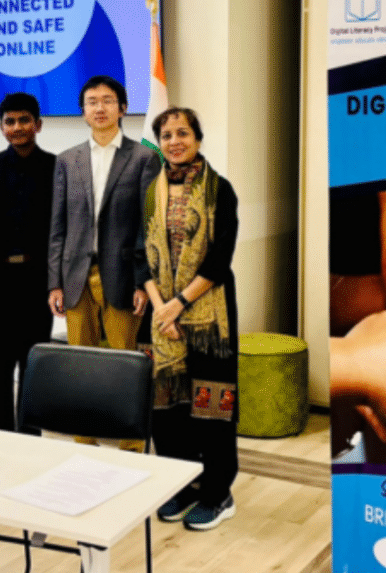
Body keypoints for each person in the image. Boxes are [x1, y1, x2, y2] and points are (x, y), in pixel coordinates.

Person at [136, 107, 239, 531]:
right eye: (166, 134)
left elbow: (221, 257)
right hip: (161, 315)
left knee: (211, 408)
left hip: (208, 318)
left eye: (182, 133)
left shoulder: (221, 190)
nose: (174, 141)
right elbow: (137, 251)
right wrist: (162, 307)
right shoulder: (149, 191)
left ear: (198, 138)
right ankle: (180, 483)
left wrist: (178, 303)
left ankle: (217, 492)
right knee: (166, 408)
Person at [46, 75, 160, 451]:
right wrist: (54, 283)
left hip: (124, 277)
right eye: (92, 101)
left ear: (122, 108)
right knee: (80, 365)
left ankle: (131, 446)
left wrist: (144, 282)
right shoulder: (67, 160)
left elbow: (149, 228)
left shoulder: (144, 158)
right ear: (83, 111)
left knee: (125, 365)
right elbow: (57, 226)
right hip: (76, 277)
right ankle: (84, 440)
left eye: (108, 101)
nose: (99, 108)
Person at [0, 93, 56, 431]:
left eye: (24, 120)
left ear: (38, 124)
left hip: (39, 281)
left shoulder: (57, 167)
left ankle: (29, 434)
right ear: (1, 127)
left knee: (33, 362)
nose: (17, 127)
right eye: (9, 121)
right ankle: (1, 435)